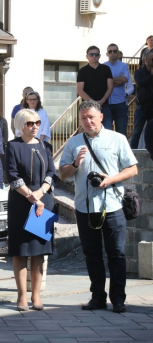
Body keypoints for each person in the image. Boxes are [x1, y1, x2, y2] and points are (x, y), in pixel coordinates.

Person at [59, 100, 138, 314]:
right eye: (83, 118)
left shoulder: (117, 139)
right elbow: (62, 173)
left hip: (112, 206)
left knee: (116, 254)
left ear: (101, 116)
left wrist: (111, 179)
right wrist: (75, 164)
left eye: (91, 117)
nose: (87, 121)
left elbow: (132, 169)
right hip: (85, 208)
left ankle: (118, 300)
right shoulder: (74, 142)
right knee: (92, 254)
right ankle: (98, 297)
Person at [6, 109, 56, 311]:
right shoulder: (13, 146)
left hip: (43, 202)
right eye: (29, 123)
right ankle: (22, 297)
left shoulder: (45, 145)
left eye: (36, 122)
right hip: (20, 203)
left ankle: (36, 296)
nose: (34, 126)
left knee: (38, 252)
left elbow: (52, 171)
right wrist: (31, 196)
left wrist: (41, 193)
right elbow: (12, 174)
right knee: (21, 251)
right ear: (20, 125)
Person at [77, 46, 113, 129]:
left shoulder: (106, 69)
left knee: (107, 129)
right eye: (91, 54)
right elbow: (80, 90)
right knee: (89, 129)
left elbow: (110, 87)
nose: (94, 56)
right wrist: (93, 103)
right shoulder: (82, 71)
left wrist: (102, 101)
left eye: (96, 54)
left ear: (99, 56)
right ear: (87, 56)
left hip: (104, 105)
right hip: (87, 106)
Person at [103, 44, 130, 136]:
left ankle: (121, 151)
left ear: (118, 53)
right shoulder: (103, 66)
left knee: (121, 132)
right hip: (106, 103)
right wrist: (117, 80)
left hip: (120, 103)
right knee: (107, 132)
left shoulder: (124, 66)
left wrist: (108, 80)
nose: (112, 53)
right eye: (110, 51)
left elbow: (124, 80)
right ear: (107, 54)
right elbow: (101, 82)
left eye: (114, 51)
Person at [130, 49, 153, 149]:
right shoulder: (138, 72)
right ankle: (132, 152)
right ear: (147, 60)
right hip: (142, 107)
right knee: (137, 131)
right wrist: (151, 75)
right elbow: (140, 83)